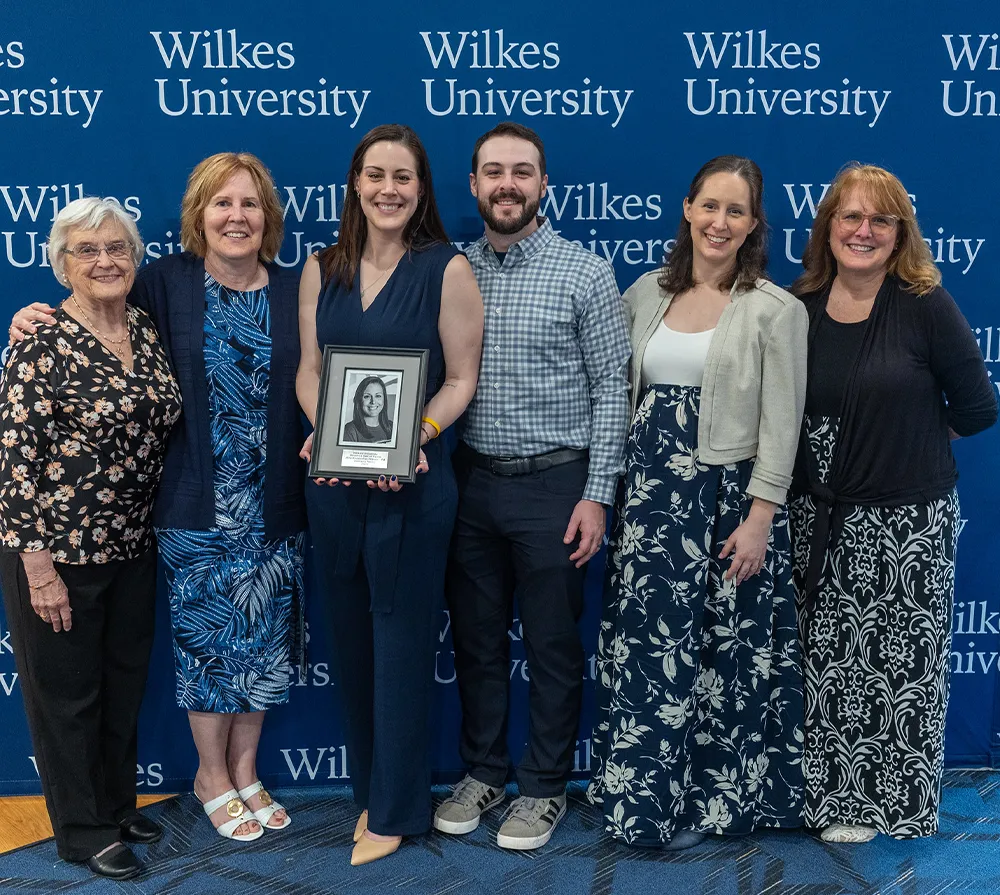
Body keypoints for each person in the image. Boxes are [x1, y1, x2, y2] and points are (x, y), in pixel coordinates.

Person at [10, 152, 307, 843]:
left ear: (268, 217)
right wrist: (36, 316)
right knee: (211, 649)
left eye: (250, 204)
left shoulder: (298, 288)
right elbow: (90, 310)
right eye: (221, 203)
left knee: (262, 646)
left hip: (274, 505)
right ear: (198, 216)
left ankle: (246, 768)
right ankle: (210, 776)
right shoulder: (166, 283)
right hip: (193, 507)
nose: (236, 216)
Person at [585, 156, 808, 849]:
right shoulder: (644, 293)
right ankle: (639, 796)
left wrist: (759, 520)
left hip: (726, 509)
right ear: (687, 208)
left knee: (719, 661)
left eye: (736, 211)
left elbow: (783, 424)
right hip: (650, 506)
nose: (720, 221)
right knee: (647, 653)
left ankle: (710, 804)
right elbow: (615, 395)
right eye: (710, 206)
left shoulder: (777, 310)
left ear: (753, 225)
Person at [432, 122, 631, 851]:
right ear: (477, 184)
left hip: (558, 484)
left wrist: (596, 494)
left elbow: (614, 387)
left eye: (522, 171)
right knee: (478, 643)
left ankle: (544, 785)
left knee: (551, 645)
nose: (506, 183)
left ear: (544, 184)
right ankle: (484, 770)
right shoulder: (455, 269)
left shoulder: (585, 272)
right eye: (493, 171)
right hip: (471, 483)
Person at [788, 163, 997, 843]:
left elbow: (976, 406)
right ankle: (830, 798)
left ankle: (894, 806)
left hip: (908, 520)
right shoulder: (803, 303)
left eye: (881, 219)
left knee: (897, 664)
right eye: (850, 216)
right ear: (828, 226)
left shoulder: (924, 302)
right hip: (819, 515)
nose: (864, 231)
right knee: (827, 662)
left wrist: (905, 437)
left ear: (900, 232)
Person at [296, 123, 483, 866]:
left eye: (403, 177)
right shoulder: (322, 268)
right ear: (355, 183)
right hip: (334, 489)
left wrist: (416, 435)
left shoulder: (448, 269)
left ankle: (400, 808)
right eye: (376, 175)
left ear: (421, 188)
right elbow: (311, 371)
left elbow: (461, 379)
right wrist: (329, 430)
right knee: (350, 643)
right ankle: (370, 791)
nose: (388, 189)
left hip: (415, 489)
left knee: (402, 646)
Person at [0, 199, 182, 879]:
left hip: (133, 545)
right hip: (57, 552)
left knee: (121, 683)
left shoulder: (143, 324)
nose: (105, 260)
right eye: (87, 250)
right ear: (62, 263)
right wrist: (37, 565)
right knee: (67, 695)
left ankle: (114, 802)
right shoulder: (39, 340)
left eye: (117, 248)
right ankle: (82, 829)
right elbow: (13, 460)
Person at [343, 375, 393, 444]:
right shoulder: (350, 431)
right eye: (367, 396)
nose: (373, 402)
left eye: (378, 396)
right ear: (359, 400)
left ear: (384, 399)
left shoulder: (392, 427)